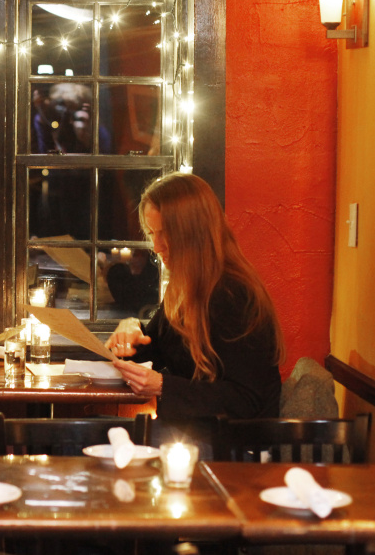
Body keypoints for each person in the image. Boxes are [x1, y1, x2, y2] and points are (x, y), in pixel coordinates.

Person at [107, 172, 285, 428]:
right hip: (196, 434)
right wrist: (131, 333)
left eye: (165, 233)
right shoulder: (183, 287)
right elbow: (153, 352)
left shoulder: (233, 294)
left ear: (193, 232)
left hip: (239, 448)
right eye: (151, 233)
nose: (156, 246)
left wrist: (162, 385)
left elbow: (248, 400)